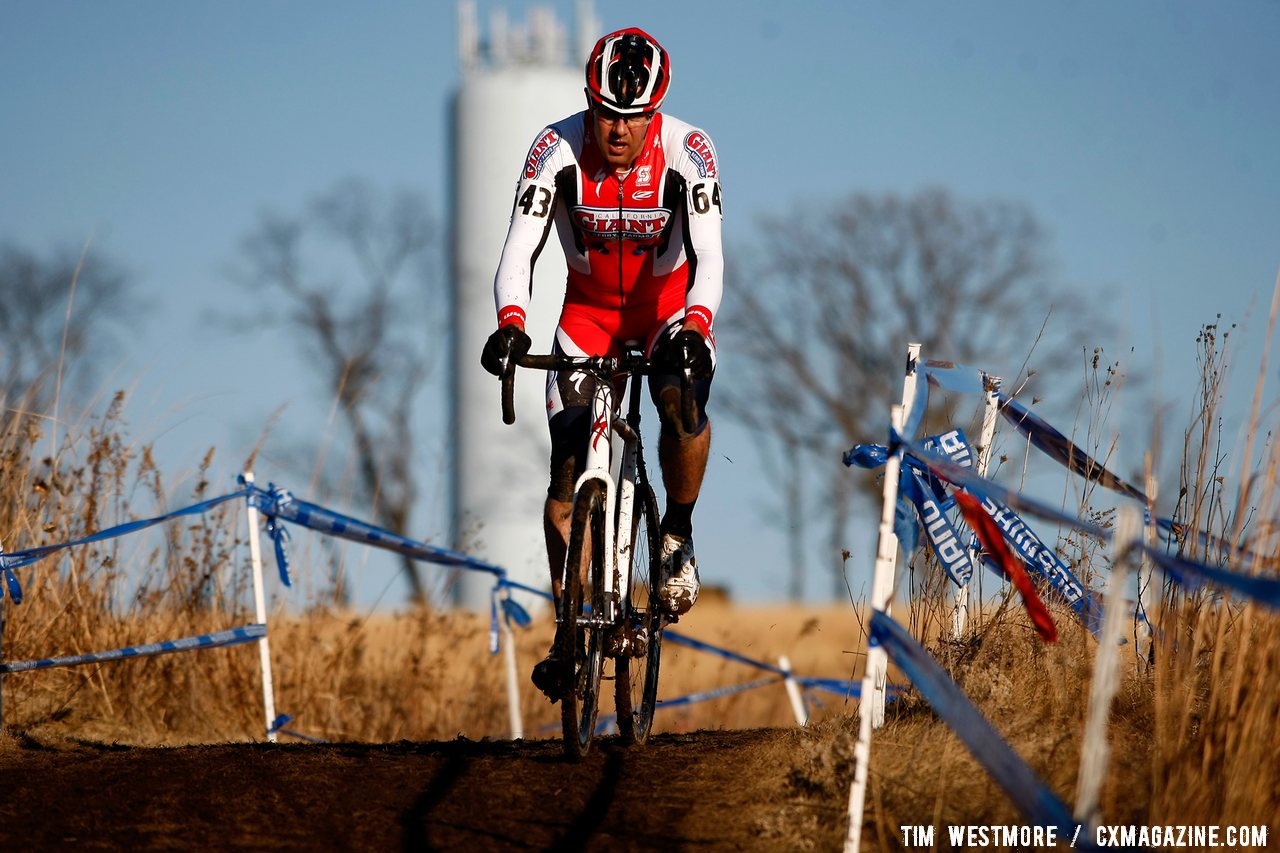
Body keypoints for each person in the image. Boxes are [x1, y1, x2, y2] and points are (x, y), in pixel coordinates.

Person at [479, 28, 724, 700]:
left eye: (631, 117)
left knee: (680, 402)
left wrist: (697, 327)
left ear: (656, 110)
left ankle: (675, 528)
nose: (616, 130)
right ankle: (568, 629)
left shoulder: (689, 150)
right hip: (586, 318)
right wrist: (510, 324)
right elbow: (518, 250)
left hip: (668, 312)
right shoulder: (554, 147)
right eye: (604, 113)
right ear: (587, 100)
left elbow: (710, 256)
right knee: (566, 472)